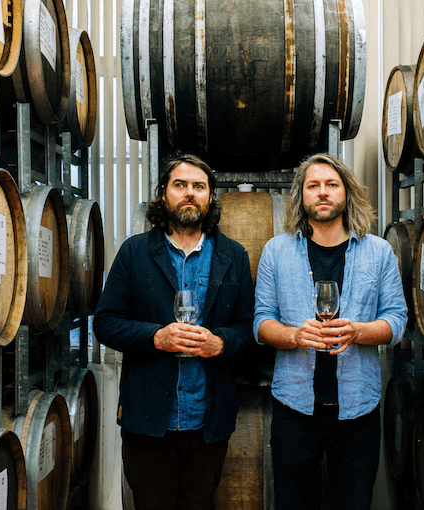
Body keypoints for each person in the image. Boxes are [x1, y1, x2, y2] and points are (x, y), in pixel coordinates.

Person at [93, 153, 255, 510]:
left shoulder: (235, 256)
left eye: (199, 186)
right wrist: (155, 337)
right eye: (179, 185)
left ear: (211, 197)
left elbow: (249, 330)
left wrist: (220, 343)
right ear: (163, 194)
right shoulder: (134, 252)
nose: (189, 193)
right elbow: (104, 322)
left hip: (208, 421)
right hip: (149, 420)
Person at [253, 153, 407, 510]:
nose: (322, 192)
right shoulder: (276, 252)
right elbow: (261, 323)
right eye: (313, 185)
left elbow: (397, 320)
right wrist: (293, 336)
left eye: (331, 184)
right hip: (294, 410)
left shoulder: (379, 252)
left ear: (346, 192)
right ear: (302, 196)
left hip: (358, 411)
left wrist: (359, 331)